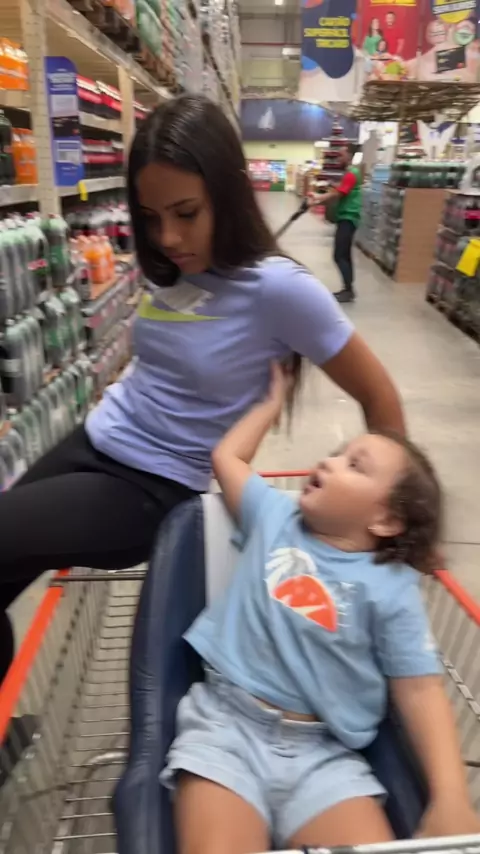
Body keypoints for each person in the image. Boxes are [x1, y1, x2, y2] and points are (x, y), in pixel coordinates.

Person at [0, 94, 405, 688]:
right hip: (94, 440)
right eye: (151, 216)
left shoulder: (281, 289)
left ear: (227, 191)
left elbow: (380, 396)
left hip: (150, 487)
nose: (167, 236)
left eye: (186, 213)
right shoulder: (178, 268)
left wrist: (389, 521)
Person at [162, 364, 480, 853]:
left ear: (387, 519)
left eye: (355, 465)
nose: (329, 463)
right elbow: (227, 457)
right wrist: (271, 404)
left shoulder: (392, 589)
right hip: (225, 729)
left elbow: (419, 688)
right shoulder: (274, 515)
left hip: (323, 754)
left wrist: (451, 796)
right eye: (336, 453)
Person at [315, 143, 362, 303]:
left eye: (341, 155)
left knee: (339, 255)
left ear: (349, 155)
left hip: (348, 217)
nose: (338, 158)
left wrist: (320, 198)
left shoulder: (351, 173)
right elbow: (343, 189)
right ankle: (348, 289)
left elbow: (340, 193)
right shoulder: (352, 173)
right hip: (348, 217)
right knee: (345, 255)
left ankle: (348, 290)